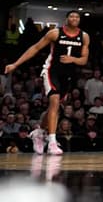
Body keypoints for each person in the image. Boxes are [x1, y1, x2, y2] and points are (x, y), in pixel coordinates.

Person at [4, 10, 89, 155]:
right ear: (66, 19)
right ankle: (52, 142)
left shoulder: (84, 36)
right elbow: (35, 48)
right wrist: (15, 64)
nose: (74, 18)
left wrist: (72, 60)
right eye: (72, 16)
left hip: (68, 75)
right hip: (51, 71)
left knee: (55, 107)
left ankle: (39, 132)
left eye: (77, 17)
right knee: (54, 101)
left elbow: (84, 60)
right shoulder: (55, 33)